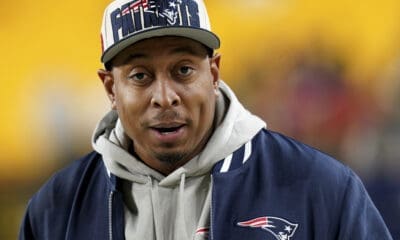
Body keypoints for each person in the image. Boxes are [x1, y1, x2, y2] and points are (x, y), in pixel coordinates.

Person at [19, 0, 393, 239]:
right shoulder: (55, 208)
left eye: (183, 70)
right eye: (139, 76)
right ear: (110, 88)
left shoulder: (323, 188)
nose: (165, 97)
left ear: (214, 74)